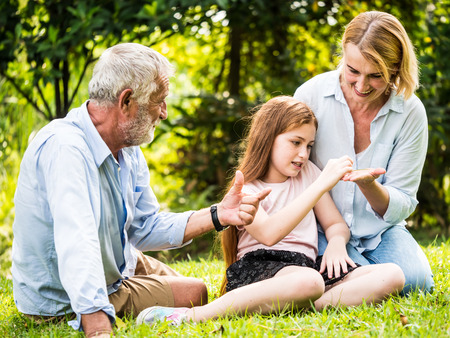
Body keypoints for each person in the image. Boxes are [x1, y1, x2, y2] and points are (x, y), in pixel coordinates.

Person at [11, 43, 271, 337]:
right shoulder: (66, 148)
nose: (163, 113)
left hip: (118, 262)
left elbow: (145, 227)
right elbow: (77, 240)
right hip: (61, 301)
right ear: (126, 101)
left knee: (197, 291)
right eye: (159, 101)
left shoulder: (127, 148)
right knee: (195, 293)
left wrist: (219, 214)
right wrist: (97, 327)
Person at [135, 96, 405, 326]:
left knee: (392, 275)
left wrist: (336, 243)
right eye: (295, 142)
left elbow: (335, 224)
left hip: (304, 267)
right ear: (268, 138)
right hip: (261, 267)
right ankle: (194, 316)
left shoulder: (308, 174)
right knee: (309, 282)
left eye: (309, 146)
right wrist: (322, 183)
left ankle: (300, 305)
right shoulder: (245, 187)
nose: (303, 154)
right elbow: (268, 233)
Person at [293, 11, 434, 295]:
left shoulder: (409, 112)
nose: (361, 86)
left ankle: (352, 277)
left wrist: (369, 186)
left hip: (380, 232)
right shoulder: (311, 96)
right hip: (320, 228)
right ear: (343, 55)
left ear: (396, 69)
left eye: (376, 76)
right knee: (353, 274)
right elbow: (289, 173)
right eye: (353, 71)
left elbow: (404, 201)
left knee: (418, 284)